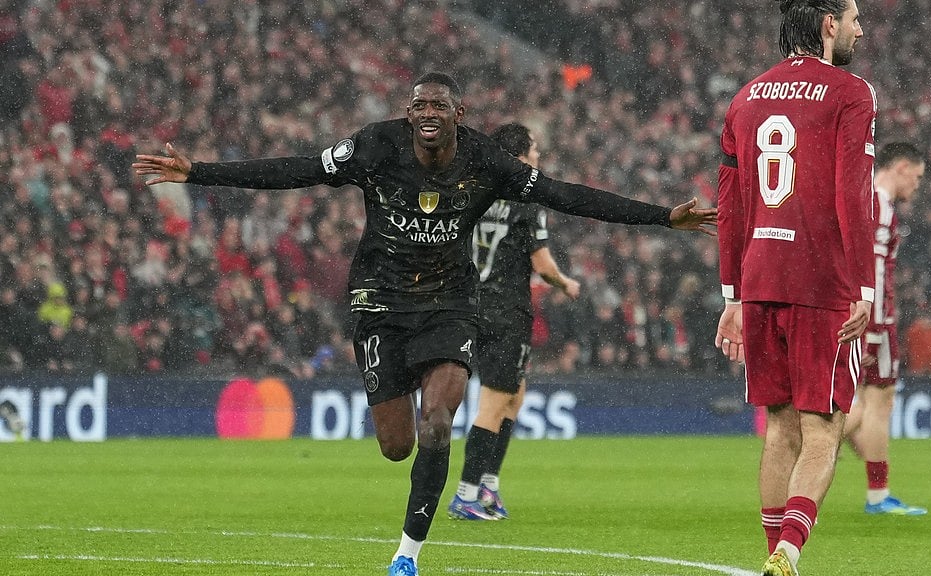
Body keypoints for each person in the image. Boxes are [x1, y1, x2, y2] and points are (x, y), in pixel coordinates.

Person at [134, 72, 716, 576]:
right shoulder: (375, 147)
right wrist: (200, 173)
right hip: (380, 301)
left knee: (439, 423)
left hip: (450, 304)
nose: (429, 114)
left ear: (459, 116)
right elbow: (300, 169)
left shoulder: (485, 159)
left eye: (440, 106)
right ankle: (411, 432)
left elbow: (566, 195)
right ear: (408, 114)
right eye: (420, 106)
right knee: (397, 445)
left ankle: (408, 553)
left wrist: (662, 218)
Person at [713, 2, 874, 574]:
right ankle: (787, 551)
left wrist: (731, 294)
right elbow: (854, 193)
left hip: (759, 278)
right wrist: (864, 286)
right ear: (829, 23)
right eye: (855, 17)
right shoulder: (850, 92)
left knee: (779, 427)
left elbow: (727, 205)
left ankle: (773, 554)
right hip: (821, 281)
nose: (861, 28)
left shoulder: (745, 96)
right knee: (823, 429)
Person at [447, 123, 581, 521]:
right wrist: (565, 283)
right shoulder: (527, 198)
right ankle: (467, 495)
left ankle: (488, 487)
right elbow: (542, 264)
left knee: (513, 398)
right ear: (521, 155)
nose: (539, 155)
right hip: (505, 312)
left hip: (472, 306)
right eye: (535, 149)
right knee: (493, 404)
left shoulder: (475, 192)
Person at [842, 142, 927, 516]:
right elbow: (871, 268)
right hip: (875, 317)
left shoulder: (869, 199)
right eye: (918, 177)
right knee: (878, 400)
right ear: (902, 167)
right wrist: (875, 321)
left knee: (863, 399)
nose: (918, 186)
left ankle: (807, 450)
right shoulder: (878, 203)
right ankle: (877, 495)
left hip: (866, 315)